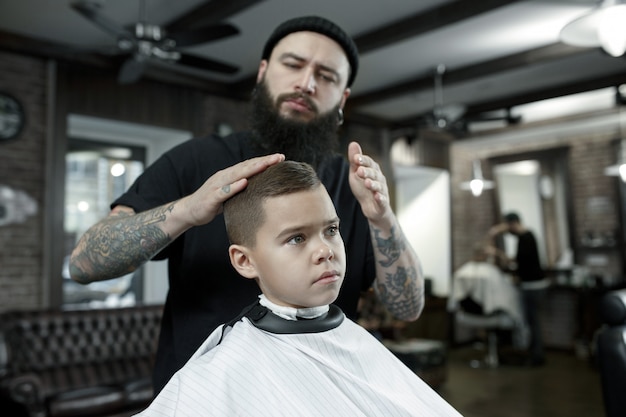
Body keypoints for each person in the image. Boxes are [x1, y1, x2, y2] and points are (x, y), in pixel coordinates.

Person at [69, 15, 424, 393]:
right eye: (293, 64)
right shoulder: (193, 162)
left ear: (342, 100)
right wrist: (189, 209)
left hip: (319, 395)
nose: (306, 83)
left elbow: (408, 308)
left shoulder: (353, 185)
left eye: (327, 76)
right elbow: (83, 263)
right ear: (262, 73)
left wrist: (383, 219)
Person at [134, 161, 461, 417]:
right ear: (245, 261)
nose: (326, 250)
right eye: (296, 238)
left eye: (331, 229)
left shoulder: (358, 342)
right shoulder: (218, 373)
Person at [489, 212, 548, 366]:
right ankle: (534, 354)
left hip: (533, 286)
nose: (508, 231)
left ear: (513, 223)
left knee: (533, 322)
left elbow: (518, 261)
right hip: (534, 285)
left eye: (508, 226)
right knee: (532, 321)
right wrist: (499, 231)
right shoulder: (526, 236)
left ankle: (536, 356)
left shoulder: (526, 238)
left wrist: (497, 253)